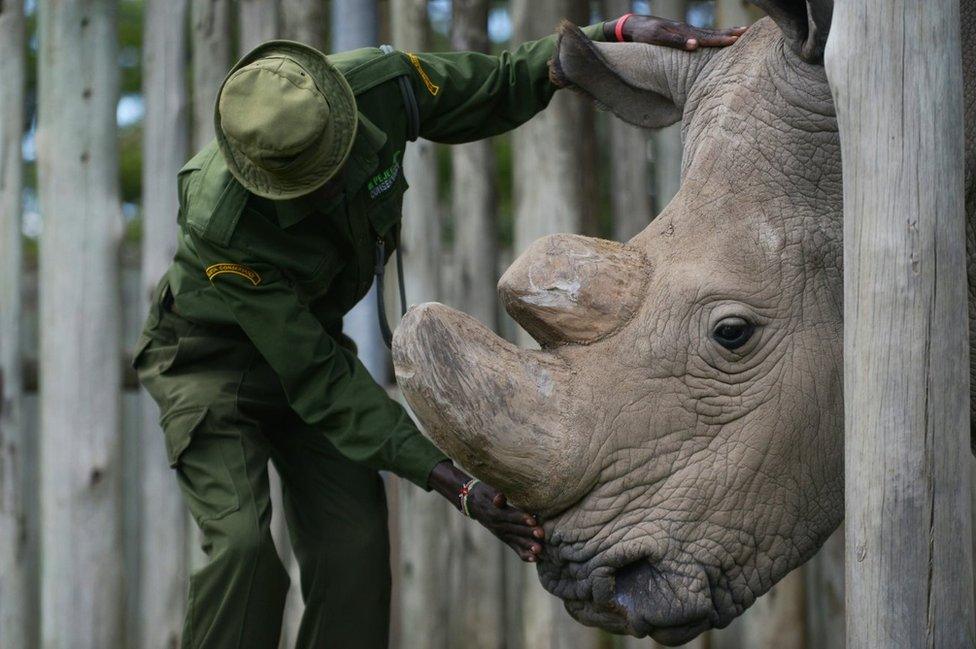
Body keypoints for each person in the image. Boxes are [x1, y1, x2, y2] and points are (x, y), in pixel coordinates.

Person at [134, 11, 744, 649]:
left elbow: (496, 83)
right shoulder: (223, 225)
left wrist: (599, 42)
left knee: (355, 547)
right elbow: (316, 377)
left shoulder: (376, 87)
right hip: (212, 369)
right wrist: (452, 480)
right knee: (242, 551)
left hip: (313, 353)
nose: (331, 188)